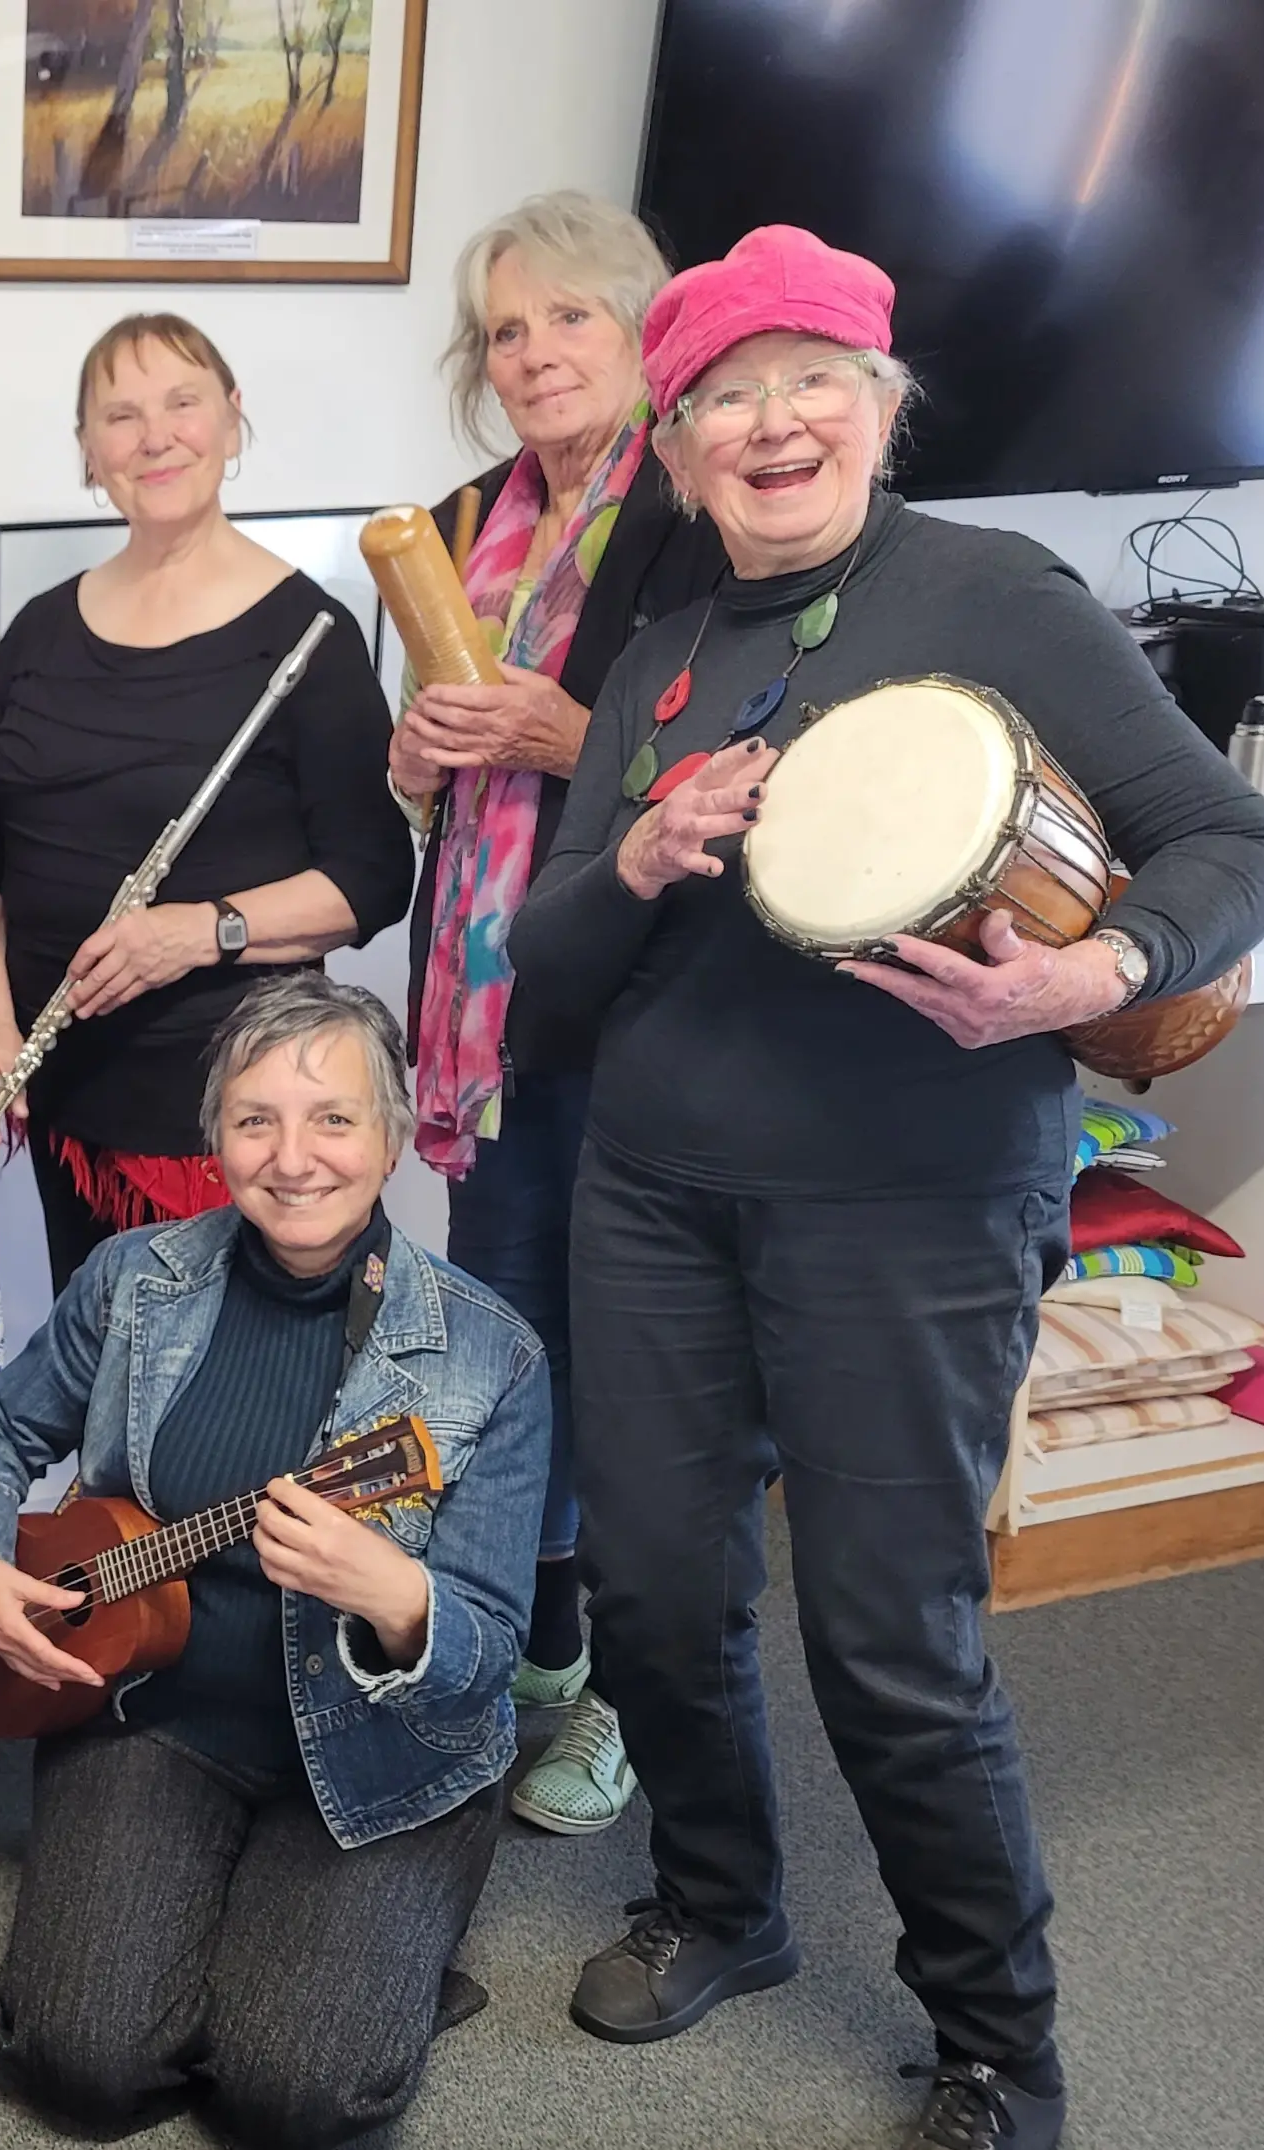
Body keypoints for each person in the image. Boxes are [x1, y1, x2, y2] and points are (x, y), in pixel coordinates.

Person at [510, 225, 1264, 2150]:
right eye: (722, 397)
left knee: (889, 1636)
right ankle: (721, 1905)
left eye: (811, 380)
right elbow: (543, 976)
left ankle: (997, 2045)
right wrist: (636, 857)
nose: (770, 423)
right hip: (655, 1192)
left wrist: (1089, 977)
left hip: (917, 1204)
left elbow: (1232, 839)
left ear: (880, 403)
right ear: (677, 445)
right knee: (654, 1593)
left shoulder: (998, 593)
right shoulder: (668, 657)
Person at [0, 974, 546, 2148]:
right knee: (79, 2065)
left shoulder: (489, 1354)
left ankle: (390, 1935)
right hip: (151, 1707)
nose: (293, 1156)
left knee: (292, 2094)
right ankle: (262, 1938)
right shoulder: (135, 1279)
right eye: (255, 1118)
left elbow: (489, 1654)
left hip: (377, 1756)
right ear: (213, 1137)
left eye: (334, 1118)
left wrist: (401, 1600)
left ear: (394, 1134)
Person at [395, 192, 731, 1840]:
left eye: (567, 321)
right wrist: (417, 760)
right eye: (508, 330)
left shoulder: (705, 507)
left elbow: (742, 758)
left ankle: (619, 1696)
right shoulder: (473, 516)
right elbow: (447, 767)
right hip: (493, 1010)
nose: (533, 354)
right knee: (502, 1343)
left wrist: (559, 735)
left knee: (634, 1368)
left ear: (640, 333)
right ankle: (534, 1641)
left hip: (649, 1007)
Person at [0, 313, 412, 1292]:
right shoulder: (37, 630)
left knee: (233, 1410)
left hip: (234, 1119)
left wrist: (200, 932)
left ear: (233, 421)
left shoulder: (311, 634)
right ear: (88, 452)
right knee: (105, 1383)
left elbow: (372, 877)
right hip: (67, 1104)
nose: (155, 436)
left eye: (183, 403)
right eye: (120, 414)